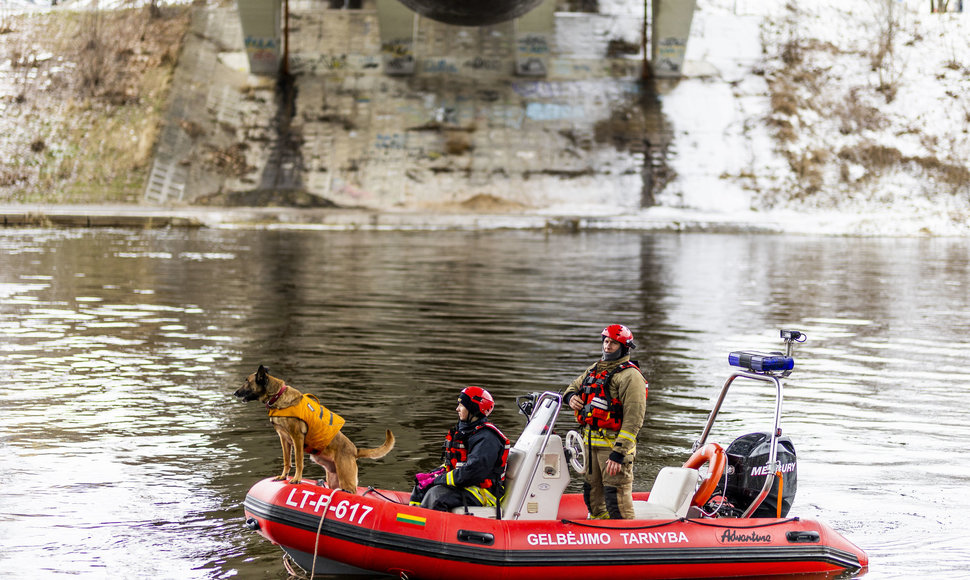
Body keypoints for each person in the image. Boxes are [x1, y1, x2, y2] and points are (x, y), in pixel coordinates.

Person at [563, 324, 648, 519]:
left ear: (624, 347)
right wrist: (570, 398)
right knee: (591, 493)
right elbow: (572, 387)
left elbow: (634, 419)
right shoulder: (595, 369)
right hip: (589, 444)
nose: (607, 346)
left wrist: (619, 453)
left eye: (613, 343)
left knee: (615, 495)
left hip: (613, 446)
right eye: (606, 341)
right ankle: (598, 528)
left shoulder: (631, 376)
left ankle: (626, 535)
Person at [410, 386, 510, 512]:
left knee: (437, 495)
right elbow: (455, 464)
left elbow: (472, 472)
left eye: (462, 405)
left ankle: (428, 527)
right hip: (466, 483)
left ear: (473, 409)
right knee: (421, 485)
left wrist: (438, 480)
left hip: (484, 492)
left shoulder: (487, 438)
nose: (457, 409)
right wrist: (432, 476)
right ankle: (412, 520)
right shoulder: (468, 432)